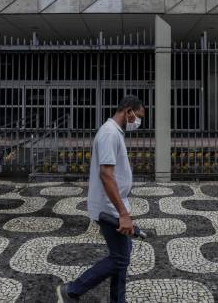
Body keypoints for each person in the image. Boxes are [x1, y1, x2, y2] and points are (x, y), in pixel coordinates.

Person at [56, 95, 145, 303]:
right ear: (128, 111)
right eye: (138, 116)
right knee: (120, 257)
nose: (138, 121)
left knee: (123, 253)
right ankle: (71, 291)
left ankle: (117, 300)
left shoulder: (115, 133)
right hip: (108, 209)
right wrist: (123, 214)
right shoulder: (109, 134)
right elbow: (106, 175)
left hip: (114, 205)